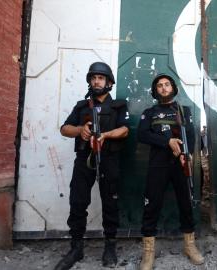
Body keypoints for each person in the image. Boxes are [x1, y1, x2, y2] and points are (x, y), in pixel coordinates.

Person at [55, 62, 129, 270]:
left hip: (109, 158)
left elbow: (124, 130)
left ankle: (110, 246)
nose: (96, 81)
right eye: (93, 78)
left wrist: (105, 135)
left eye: (101, 78)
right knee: (78, 201)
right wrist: (80, 131)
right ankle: (76, 248)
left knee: (110, 202)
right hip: (84, 159)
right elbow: (64, 129)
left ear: (109, 82)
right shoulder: (81, 106)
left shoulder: (118, 106)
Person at [137, 74, 204, 270]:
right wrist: (167, 142)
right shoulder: (150, 112)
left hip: (180, 164)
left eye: (167, 84)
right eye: (160, 85)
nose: (164, 88)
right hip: (158, 165)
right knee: (151, 206)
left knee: (186, 204)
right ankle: (148, 253)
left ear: (173, 88)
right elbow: (142, 134)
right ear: (155, 90)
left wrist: (187, 154)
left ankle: (189, 246)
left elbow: (190, 134)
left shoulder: (184, 111)